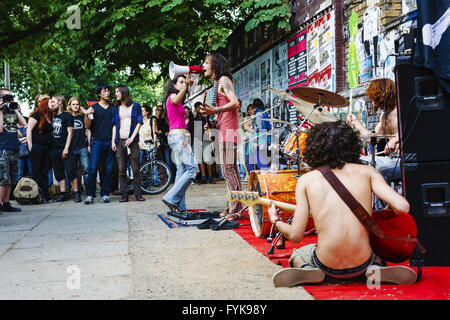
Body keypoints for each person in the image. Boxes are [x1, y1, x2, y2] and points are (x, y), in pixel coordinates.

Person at [268, 120, 417, 287]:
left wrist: (276, 221)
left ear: (313, 148)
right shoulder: (368, 172)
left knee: (299, 253)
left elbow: (295, 235)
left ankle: (306, 268)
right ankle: (374, 268)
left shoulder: (306, 180)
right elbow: (403, 207)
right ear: (352, 145)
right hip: (362, 263)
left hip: (327, 265)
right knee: (376, 251)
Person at [200, 53, 243, 220]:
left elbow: (235, 103)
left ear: (215, 65)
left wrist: (215, 111)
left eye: (206, 62)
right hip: (223, 130)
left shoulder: (224, 80)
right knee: (229, 171)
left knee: (228, 170)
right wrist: (213, 120)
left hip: (229, 132)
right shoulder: (216, 84)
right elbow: (225, 110)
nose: (203, 65)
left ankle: (235, 209)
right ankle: (233, 206)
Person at [347, 78, 401, 183]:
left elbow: (413, 131)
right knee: (357, 164)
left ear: (381, 95)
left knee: (378, 172)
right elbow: (373, 139)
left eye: (374, 99)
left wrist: (395, 140)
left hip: (402, 160)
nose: (374, 104)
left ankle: (384, 199)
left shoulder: (401, 110)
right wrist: (356, 123)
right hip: (390, 159)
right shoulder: (384, 115)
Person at [161, 74, 198, 213]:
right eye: (181, 82)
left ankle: (180, 207)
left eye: (184, 82)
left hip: (179, 138)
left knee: (182, 172)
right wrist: (187, 85)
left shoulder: (179, 101)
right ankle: (171, 197)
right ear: (174, 85)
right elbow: (176, 98)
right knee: (193, 169)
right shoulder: (172, 97)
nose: (183, 84)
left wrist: (189, 85)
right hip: (178, 138)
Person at [111, 85, 145, 202]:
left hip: (133, 142)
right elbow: (114, 125)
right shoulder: (116, 108)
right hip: (120, 141)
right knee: (121, 170)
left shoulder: (136, 106)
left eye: (117, 92)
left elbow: (139, 122)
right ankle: (124, 195)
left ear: (123, 92)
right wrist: (113, 141)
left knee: (136, 168)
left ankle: (138, 194)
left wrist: (132, 138)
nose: (115, 94)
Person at [84, 83, 115, 204]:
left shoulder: (113, 108)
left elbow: (115, 125)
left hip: (109, 141)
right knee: (92, 169)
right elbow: (87, 126)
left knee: (108, 169)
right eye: (104, 91)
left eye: (108, 91)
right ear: (99, 94)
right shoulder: (94, 108)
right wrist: (87, 114)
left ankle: (105, 193)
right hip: (97, 141)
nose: (107, 93)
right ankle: (90, 195)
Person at [0, 88, 27, 212]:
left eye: (11, 97)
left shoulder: (12, 110)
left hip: (14, 148)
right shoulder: (1, 112)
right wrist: (0, 111)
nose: (9, 100)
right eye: (7, 98)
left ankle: (6, 204)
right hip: (3, 149)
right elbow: (0, 129)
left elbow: (23, 123)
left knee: (11, 178)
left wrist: (15, 109)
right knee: (3, 179)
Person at [49, 95, 81, 202]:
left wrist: (66, 148)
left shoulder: (67, 115)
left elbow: (70, 133)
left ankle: (77, 193)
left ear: (59, 103)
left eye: (53, 101)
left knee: (71, 171)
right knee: (58, 172)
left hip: (65, 148)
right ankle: (62, 193)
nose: (51, 103)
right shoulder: (52, 116)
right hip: (54, 148)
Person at [27, 97, 53, 203]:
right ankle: (36, 195)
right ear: (45, 104)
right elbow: (29, 129)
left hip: (47, 148)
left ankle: (45, 195)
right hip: (37, 147)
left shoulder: (50, 116)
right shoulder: (35, 115)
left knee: (45, 171)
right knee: (36, 171)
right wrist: (30, 145)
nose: (52, 104)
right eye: (51, 103)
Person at [67, 97, 90, 194]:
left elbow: (88, 129)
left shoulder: (82, 116)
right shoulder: (67, 117)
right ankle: (76, 189)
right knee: (73, 169)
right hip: (71, 147)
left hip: (82, 147)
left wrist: (89, 144)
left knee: (86, 169)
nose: (75, 106)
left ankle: (89, 190)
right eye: (73, 104)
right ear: (70, 106)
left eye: (77, 104)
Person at [193, 101, 215, 184]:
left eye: (200, 107)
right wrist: (194, 118)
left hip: (206, 139)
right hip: (197, 139)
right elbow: (191, 128)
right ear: (195, 109)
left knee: (208, 158)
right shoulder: (193, 117)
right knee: (200, 159)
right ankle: (203, 177)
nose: (199, 109)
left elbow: (211, 125)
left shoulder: (206, 116)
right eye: (197, 107)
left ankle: (210, 177)